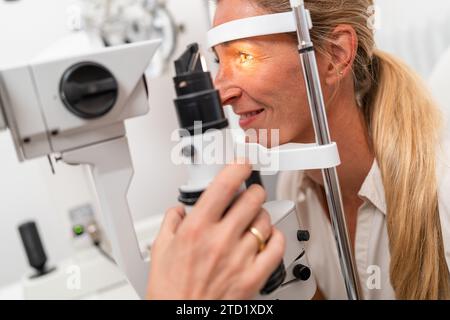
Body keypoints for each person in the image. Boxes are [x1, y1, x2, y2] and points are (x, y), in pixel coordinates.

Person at [147, 0, 450, 300]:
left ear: (335, 55)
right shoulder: (296, 187)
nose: (222, 93)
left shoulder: (442, 188)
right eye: (218, 61)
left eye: (245, 55)